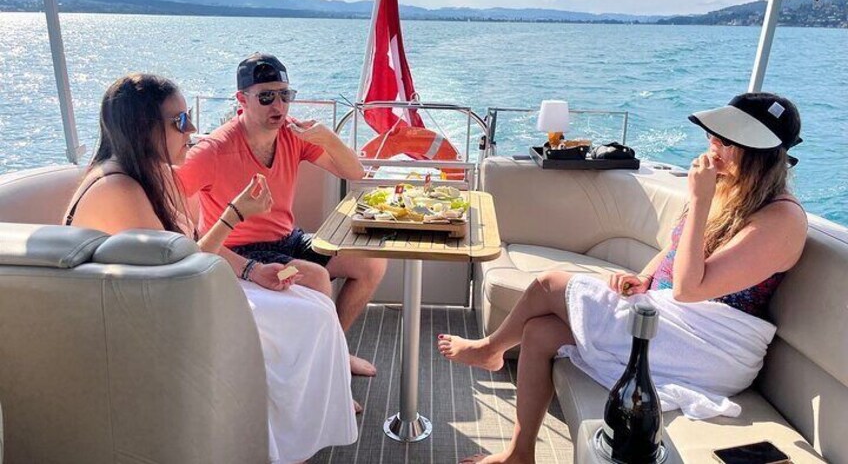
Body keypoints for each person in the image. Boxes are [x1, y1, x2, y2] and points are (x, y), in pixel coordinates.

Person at [438, 92, 808, 464]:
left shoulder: (782, 221)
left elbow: (690, 288)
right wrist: (644, 278)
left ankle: (490, 350)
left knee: (550, 284)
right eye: (714, 134)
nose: (713, 143)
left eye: (727, 140)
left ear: (760, 154)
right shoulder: (732, 193)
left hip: (710, 347)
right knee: (538, 333)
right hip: (673, 321)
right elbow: (678, 251)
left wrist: (699, 201)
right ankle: (520, 453)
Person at [64, 73, 357, 464]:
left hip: (171, 300)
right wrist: (234, 215)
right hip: (147, 324)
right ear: (143, 127)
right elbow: (181, 271)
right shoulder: (119, 189)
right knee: (307, 321)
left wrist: (252, 269)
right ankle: (280, 446)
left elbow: (183, 252)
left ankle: (284, 440)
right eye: (181, 121)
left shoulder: (148, 175)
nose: (193, 128)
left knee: (316, 309)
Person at [177, 53, 387, 377]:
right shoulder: (213, 151)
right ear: (242, 100)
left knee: (370, 262)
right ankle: (324, 374)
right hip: (239, 251)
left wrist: (327, 137)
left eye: (284, 95)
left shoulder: (292, 135)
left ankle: (335, 351)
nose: (278, 106)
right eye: (266, 96)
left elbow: (354, 170)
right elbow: (170, 207)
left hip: (287, 239)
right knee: (315, 278)